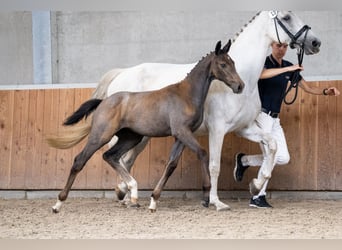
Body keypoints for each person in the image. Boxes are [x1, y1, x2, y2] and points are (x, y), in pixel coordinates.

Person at [233, 41, 340, 208]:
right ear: (271, 46)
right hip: (261, 115)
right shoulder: (265, 63)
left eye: (284, 46)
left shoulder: (289, 66)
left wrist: (325, 91)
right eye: (278, 46)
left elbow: (307, 88)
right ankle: (257, 197)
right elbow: (261, 75)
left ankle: (244, 161)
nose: (281, 49)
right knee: (270, 155)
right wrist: (287, 70)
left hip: (275, 119)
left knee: (282, 158)